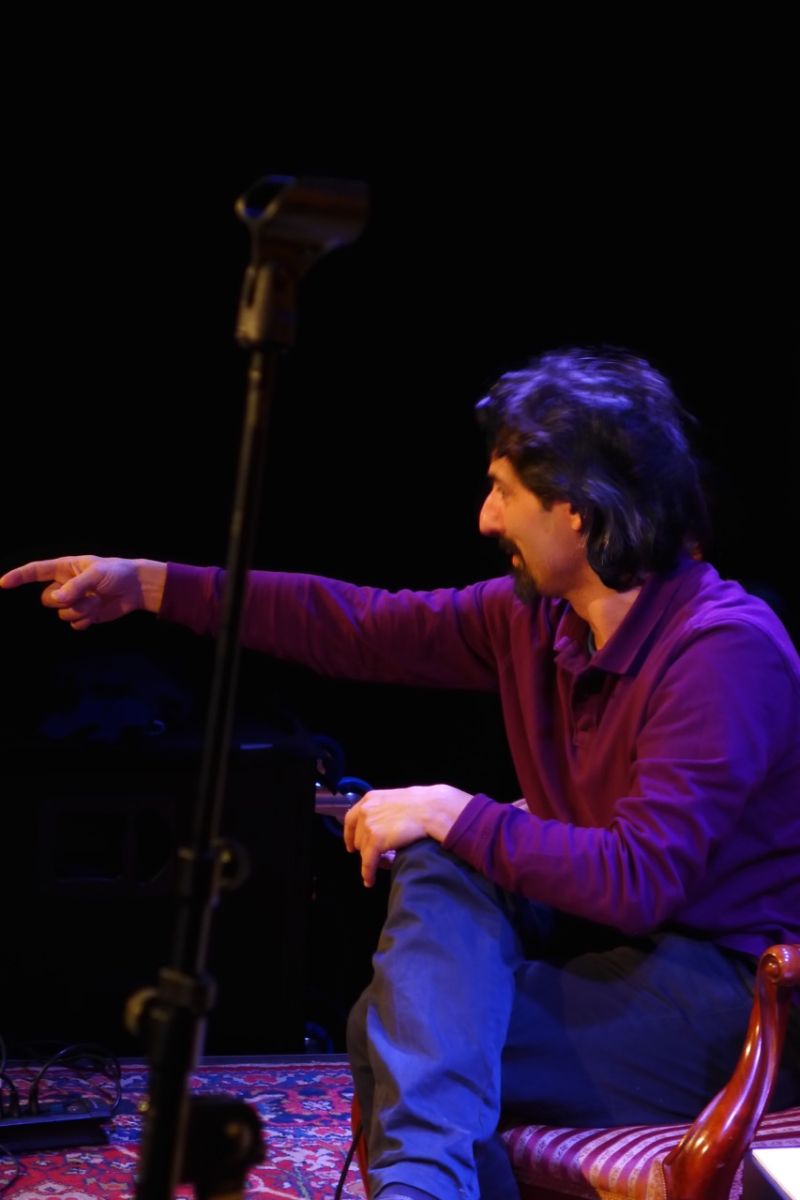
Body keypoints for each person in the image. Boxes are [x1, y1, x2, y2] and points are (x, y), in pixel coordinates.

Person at [2, 347, 799, 1200]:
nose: (485, 518)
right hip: (599, 947)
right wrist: (154, 586)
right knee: (434, 890)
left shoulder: (722, 650)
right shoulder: (541, 620)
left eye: (504, 491)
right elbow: (358, 624)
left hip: (724, 997)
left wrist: (456, 810)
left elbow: (640, 881)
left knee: (397, 1037)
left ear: (578, 508)